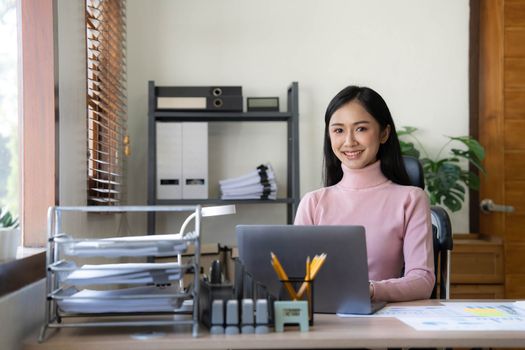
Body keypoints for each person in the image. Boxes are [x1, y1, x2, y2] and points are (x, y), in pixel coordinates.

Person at [294, 85, 435, 302]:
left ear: (384, 133)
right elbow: (297, 277)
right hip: (323, 321)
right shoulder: (313, 202)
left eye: (360, 129)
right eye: (339, 130)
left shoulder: (411, 199)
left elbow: (422, 280)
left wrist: (367, 290)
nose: (349, 141)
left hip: (383, 320)